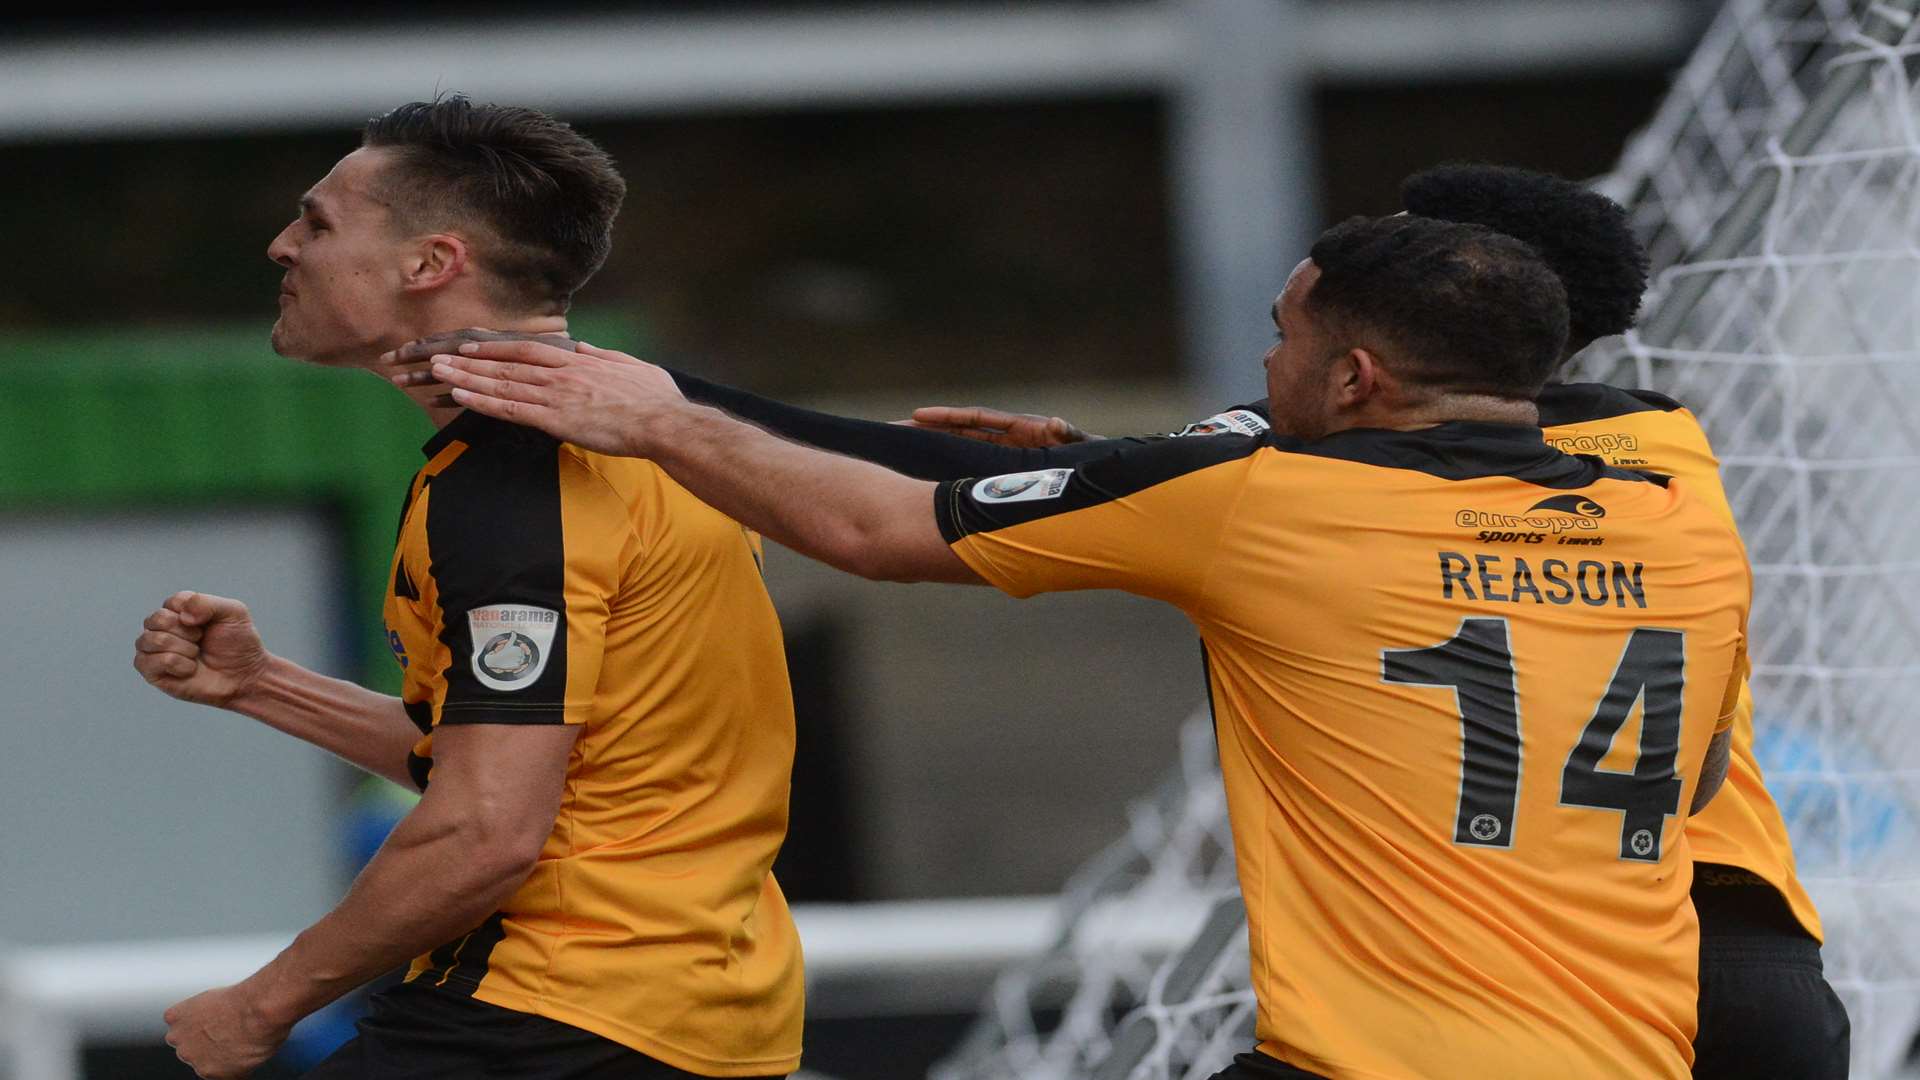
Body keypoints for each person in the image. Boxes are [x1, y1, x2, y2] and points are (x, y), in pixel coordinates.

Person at [388, 163, 1848, 1076]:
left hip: (1473, 994)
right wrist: (1084, 473)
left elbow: (885, 524)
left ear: (1376, 352)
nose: (1286, 326)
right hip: (1720, 977)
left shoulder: (1277, 488)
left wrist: (647, 403)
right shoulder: (1670, 484)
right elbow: (1192, 492)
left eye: (1312, 308)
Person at [131, 96, 803, 1080]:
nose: (282, 247)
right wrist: (263, 685)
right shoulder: (649, 437)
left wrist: (258, 1005)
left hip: (550, 1016)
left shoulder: (519, 481)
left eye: (316, 222)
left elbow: (488, 830)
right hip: (698, 1017)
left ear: (432, 264)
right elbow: (558, 772)